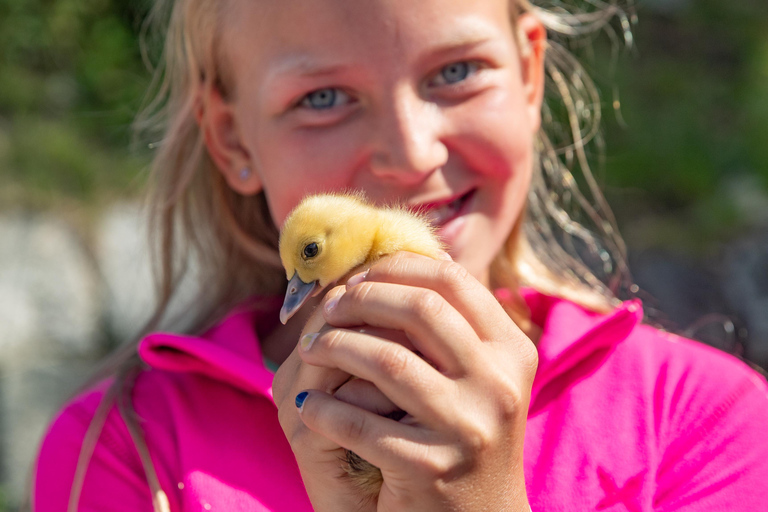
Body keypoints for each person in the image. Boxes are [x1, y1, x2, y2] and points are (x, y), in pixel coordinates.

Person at [33, 0, 768, 510]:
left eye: (455, 72)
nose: (412, 157)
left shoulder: (704, 423)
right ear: (230, 140)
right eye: (322, 97)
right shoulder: (128, 448)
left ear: (530, 75)